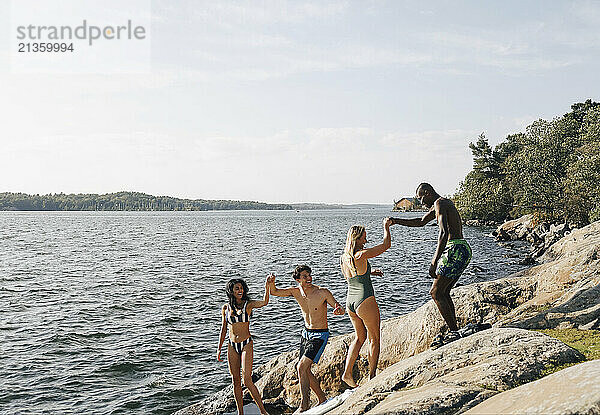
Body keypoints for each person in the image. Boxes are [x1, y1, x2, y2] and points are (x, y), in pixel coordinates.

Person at [390, 183, 472, 348]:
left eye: (420, 197)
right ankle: (455, 330)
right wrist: (395, 221)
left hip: (455, 248)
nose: (420, 202)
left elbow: (444, 232)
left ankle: (455, 331)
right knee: (444, 291)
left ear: (427, 193)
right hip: (461, 248)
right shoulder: (441, 204)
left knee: (435, 292)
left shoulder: (440, 203)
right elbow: (421, 222)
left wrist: (434, 261)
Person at [268, 265, 345, 413]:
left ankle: (304, 405)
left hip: (320, 334)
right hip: (306, 334)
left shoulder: (322, 292)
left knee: (301, 367)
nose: (309, 278)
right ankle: (321, 398)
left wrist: (339, 310)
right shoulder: (295, 291)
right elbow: (274, 292)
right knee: (305, 369)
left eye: (309, 275)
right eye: (305, 276)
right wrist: (271, 282)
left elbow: (338, 307)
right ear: (298, 280)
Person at [340, 218, 392, 387]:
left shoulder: (344, 258)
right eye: (364, 238)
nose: (366, 240)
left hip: (350, 301)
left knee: (359, 337)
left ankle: (347, 373)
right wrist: (386, 227)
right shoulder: (361, 254)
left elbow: (356, 275)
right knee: (374, 339)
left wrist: (371, 272)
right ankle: (372, 377)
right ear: (356, 239)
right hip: (364, 299)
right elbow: (386, 245)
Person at [217, 276, 274, 415]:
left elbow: (265, 302)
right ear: (231, 290)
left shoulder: (248, 304)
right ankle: (240, 413)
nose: (240, 290)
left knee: (247, 379)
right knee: (235, 380)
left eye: (241, 288)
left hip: (246, 344)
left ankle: (263, 411)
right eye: (237, 288)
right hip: (231, 345)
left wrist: (268, 285)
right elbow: (223, 329)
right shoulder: (225, 308)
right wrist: (219, 348)